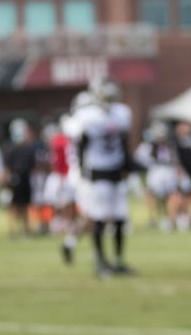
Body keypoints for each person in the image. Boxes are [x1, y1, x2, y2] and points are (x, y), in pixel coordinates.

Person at [75, 77, 135, 276]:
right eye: (104, 96)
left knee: (119, 218)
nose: (108, 99)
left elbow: (125, 142)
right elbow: (81, 146)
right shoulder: (86, 116)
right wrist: (82, 171)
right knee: (99, 218)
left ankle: (118, 260)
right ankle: (100, 262)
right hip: (97, 172)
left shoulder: (122, 113)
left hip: (117, 170)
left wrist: (128, 166)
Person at [42, 119, 81, 263]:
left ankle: (67, 228)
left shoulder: (61, 141)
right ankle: (64, 225)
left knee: (67, 202)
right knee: (64, 202)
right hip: (66, 176)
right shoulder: (60, 141)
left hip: (67, 175)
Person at [3, 118, 39, 238]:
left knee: (25, 206)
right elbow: (7, 166)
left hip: (26, 179)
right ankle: (12, 230)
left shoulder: (29, 148)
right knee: (14, 206)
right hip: (14, 180)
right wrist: (6, 179)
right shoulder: (10, 148)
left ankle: (26, 229)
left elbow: (32, 165)